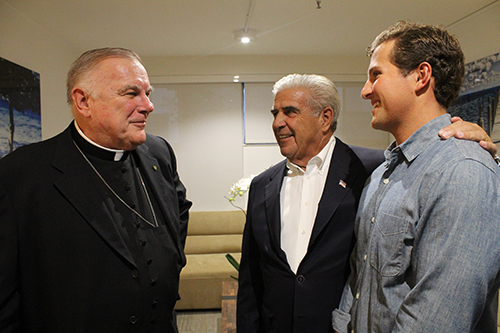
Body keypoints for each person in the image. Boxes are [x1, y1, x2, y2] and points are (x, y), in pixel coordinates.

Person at [236, 73, 496, 333]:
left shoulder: (372, 169)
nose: (278, 123)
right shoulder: (262, 185)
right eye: (275, 113)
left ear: (325, 118)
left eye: (290, 112)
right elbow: (251, 279)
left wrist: (475, 142)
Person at [0, 47, 192, 332]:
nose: (148, 105)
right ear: (83, 101)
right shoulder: (20, 174)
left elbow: (179, 211)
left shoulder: (159, 152)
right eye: (131, 93)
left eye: (147, 93)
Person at [332, 21, 500, 333]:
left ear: (421, 76)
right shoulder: (381, 174)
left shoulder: (463, 169)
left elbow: (439, 316)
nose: (365, 91)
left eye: (376, 75)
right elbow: (360, 276)